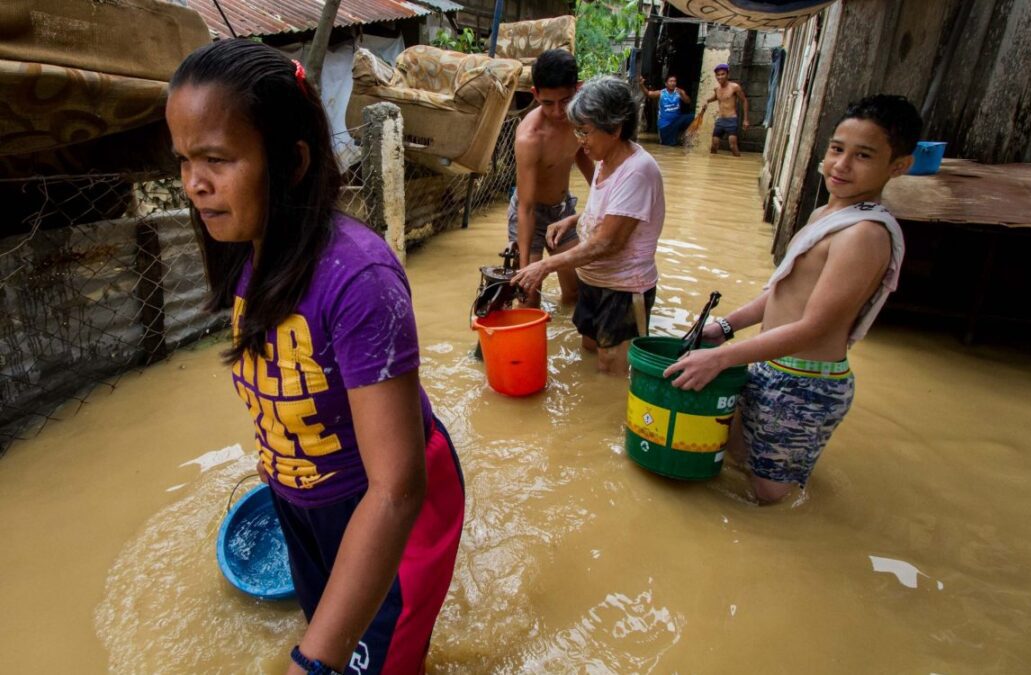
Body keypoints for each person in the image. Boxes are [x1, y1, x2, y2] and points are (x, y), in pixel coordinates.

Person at [165, 40, 464, 674]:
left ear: (293, 160)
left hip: (388, 507)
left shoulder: (360, 281)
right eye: (184, 160)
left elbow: (397, 487)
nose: (194, 184)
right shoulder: (248, 252)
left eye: (216, 159)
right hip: (304, 504)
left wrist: (311, 662)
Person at [664, 94, 922, 504]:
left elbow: (813, 328)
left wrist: (722, 358)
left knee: (772, 498)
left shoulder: (863, 236)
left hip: (806, 384)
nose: (841, 165)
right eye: (836, 149)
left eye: (863, 155)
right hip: (769, 363)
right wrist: (725, 327)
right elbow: (781, 292)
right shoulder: (826, 216)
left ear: (899, 166)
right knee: (735, 460)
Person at [512, 76, 665, 375]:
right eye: (577, 130)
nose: (579, 140)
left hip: (623, 289)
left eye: (585, 131)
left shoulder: (637, 172)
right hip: (594, 282)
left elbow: (608, 242)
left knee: (613, 369)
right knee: (590, 350)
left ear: (615, 128)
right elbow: (609, 212)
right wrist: (572, 219)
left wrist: (545, 265)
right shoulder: (605, 160)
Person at [510, 49, 595, 307]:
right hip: (530, 216)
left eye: (565, 101)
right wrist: (524, 268)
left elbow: (581, 155)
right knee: (528, 297)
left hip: (562, 211)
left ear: (578, 89)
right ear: (535, 94)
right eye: (548, 103)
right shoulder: (530, 137)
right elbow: (525, 208)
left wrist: (600, 195)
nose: (558, 111)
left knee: (575, 293)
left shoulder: (580, 120)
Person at [699, 64, 750, 156]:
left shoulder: (734, 87)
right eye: (718, 75)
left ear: (728, 75)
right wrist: (707, 101)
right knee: (714, 145)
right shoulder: (717, 89)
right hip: (720, 120)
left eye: (723, 74)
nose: (720, 77)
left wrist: (745, 119)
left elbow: (744, 101)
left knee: (732, 146)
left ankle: (737, 162)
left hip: (731, 120)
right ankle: (713, 163)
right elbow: (716, 97)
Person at [638, 74, 693, 146]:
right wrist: (641, 85)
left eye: (674, 81)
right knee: (668, 145)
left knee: (692, 117)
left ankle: (687, 138)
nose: (673, 83)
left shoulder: (679, 92)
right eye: (671, 81)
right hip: (665, 124)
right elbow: (648, 93)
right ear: (666, 84)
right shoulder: (661, 93)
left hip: (677, 121)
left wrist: (682, 94)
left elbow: (688, 101)